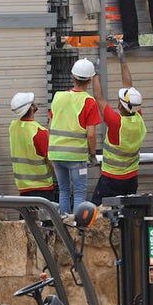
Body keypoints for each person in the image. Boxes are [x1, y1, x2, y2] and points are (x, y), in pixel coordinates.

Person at [89, 43, 148, 205]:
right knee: (127, 216)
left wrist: (96, 74)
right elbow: (129, 87)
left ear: (121, 105)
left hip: (111, 179)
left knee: (98, 214)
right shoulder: (138, 118)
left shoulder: (116, 122)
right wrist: (122, 59)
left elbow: (99, 98)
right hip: (131, 179)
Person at [48, 59, 101, 217]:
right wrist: (92, 154)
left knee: (64, 191)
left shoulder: (58, 97)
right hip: (76, 157)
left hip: (56, 154)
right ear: (90, 80)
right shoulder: (89, 102)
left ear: (72, 77)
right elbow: (91, 134)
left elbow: (51, 125)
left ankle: (64, 224)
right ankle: (78, 226)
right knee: (79, 193)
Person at [7, 91, 58, 204]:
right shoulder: (39, 132)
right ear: (31, 108)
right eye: (32, 103)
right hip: (42, 189)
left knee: (27, 220)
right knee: (46, 221)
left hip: (23, 187)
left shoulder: (13, 127)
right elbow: (50, 160)